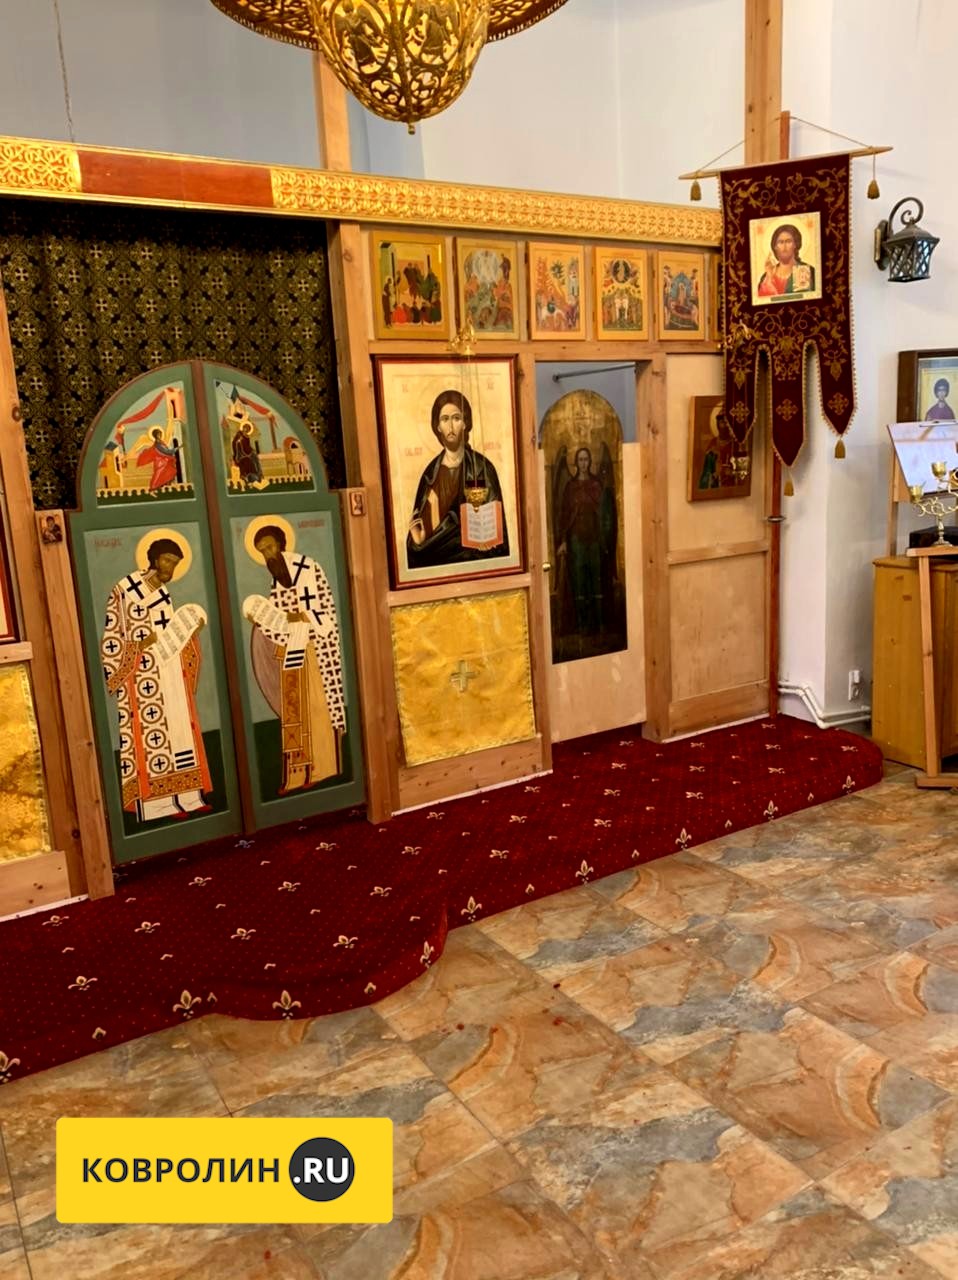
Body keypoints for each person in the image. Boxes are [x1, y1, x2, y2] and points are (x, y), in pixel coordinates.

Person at [101, 537, 211, 822]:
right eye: (166, 561)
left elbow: (168, 631)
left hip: (170, 671)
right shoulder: (125, 589)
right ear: (153, 559)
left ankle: (188, 797)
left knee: (180, 732)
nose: (170, 568)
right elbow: (112, 638)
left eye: (175, 564)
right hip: (143, 678)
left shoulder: (163, 592)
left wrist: (189, 634)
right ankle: (158, 806)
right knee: (155, 739)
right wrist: (139, 646)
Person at [243, 525, 345, 794]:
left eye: (269, 547)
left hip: (313, 650)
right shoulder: (277, 577)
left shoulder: (307, 568)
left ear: (281, 543)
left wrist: (301, 618)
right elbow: (278, 617)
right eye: (262, 551)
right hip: (290, 651)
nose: (267, 554)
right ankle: (296, 777)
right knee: (294, 713)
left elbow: (324, 611)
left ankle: (322, 768)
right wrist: (262, 621)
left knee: (316, 710)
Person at [406, 389, 509, 570]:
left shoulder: (482, 468)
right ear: (438, 426)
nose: (451, 426)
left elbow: (496, 529)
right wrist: (418, 542)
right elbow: (421, 536)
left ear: (465, 423)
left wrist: (489, 538)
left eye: (456, 418)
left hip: (474, 562)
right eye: (445, 419)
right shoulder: (430, 475)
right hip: (437, 565)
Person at [556, 447, 606, 634]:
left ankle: (599, 622)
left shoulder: (596, 485)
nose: (583, 463)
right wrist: (563, 540)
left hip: (594, 538)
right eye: (580, 460)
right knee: (579, 580)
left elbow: (603, 513)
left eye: (586, 459)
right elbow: (564, 515)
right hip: (576, 539)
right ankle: (581, 624)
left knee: (596, 580)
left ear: (590, 461)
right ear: (576, 463)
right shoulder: (570, 487)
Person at [757, 223, 816, 298]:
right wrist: (769, 277)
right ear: (775, 247)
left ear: (795, 244)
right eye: (780, 242)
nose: (784, 246)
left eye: (788, 241)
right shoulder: (766, 277)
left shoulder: (804, 270)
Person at [137, 426, 180, 491]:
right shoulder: (158, 444)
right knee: (159, 475)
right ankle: (153, 488)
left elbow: (166, 451)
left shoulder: (160, 442)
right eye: (159, 434)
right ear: (156, 435)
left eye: (160, 434)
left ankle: (166, 486)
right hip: (160, 462)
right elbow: (166, 451)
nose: (160, 436)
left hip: (164, 461)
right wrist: (175, 449)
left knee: (168, 472)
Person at [232, 419, 265, 489]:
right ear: (243, 428)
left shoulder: (247, 437)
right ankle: (251, 478)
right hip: (240, 456)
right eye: (245, 427)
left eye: (247, 428)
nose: (246, 429)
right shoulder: (239, 435)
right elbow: (235, 444)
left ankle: (259, 476)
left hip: (247, 453)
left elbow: (248, 446)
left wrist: (252, 450)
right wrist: (238, 442)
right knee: (249, 461)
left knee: (255, 458)